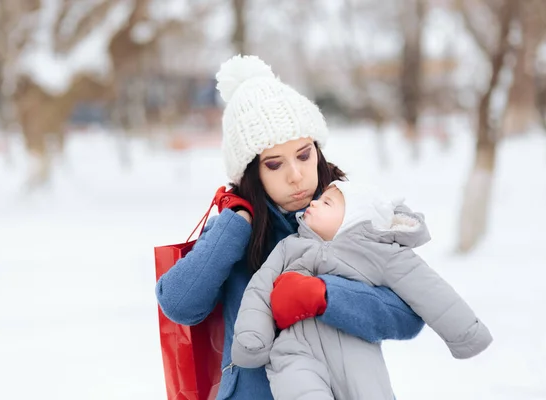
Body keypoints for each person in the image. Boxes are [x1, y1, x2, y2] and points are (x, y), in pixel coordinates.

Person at [155, 55, 425, 400]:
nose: (295, 175)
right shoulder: (233, 232)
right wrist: (236, 225)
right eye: (274, 163)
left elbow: (409, 314)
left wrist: (325, 296)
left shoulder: (353, 214)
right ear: (252, 172)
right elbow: (180, 304)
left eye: (303, 155)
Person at [232, 181, 493, 400]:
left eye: (326, 204)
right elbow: (259, 290)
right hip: (296, 350)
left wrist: (465, 333)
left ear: (352, 219)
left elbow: (427, 287)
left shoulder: (377, 251)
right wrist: (252, 338)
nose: (312, 203)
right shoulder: (290, 247)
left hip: (355, 348)